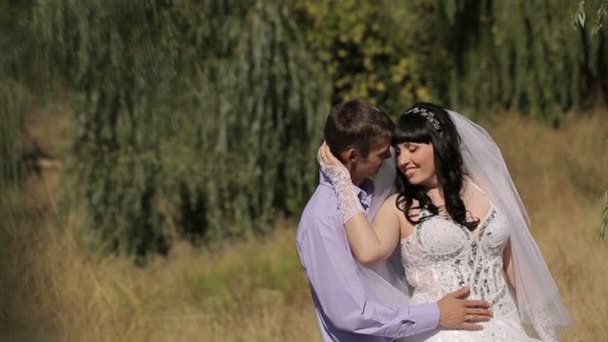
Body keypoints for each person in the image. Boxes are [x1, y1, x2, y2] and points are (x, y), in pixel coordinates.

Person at [317, 102, 572, 341]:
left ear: (439, 144)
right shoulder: (399, 206)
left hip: (506, 325)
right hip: (442, 332)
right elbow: (367, 252)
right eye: (398, 151)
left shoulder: (485, 186)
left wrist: (546, 329)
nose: (403, 161)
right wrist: (341, 182)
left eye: (412, 149)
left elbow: (512, 263)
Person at [296, 99, 493, 342]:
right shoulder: (323, 219)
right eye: (383, 153)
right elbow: (351, 314)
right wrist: (435, 314)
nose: (392, 159)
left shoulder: (374, 194)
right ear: (353, 156)